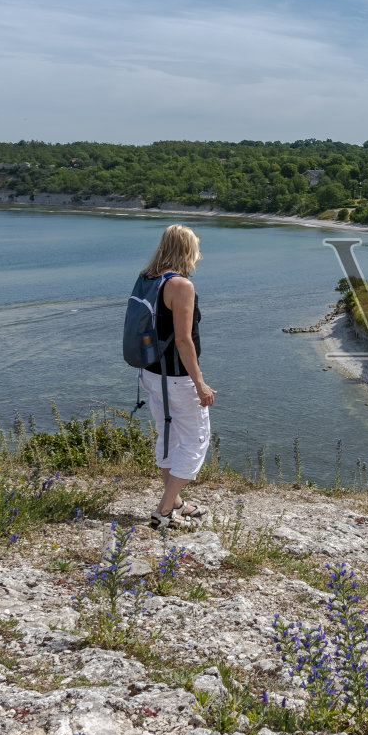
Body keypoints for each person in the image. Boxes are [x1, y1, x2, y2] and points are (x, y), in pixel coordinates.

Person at [139, 224, 216, 529]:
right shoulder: (181, 286)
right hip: (176, 378)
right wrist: (200, 384)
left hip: (150, 373)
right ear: (188, 250)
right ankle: (163, 511)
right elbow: (184, 341)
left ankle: (177, 503)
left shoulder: (147, 279)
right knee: (196, 440)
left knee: (168, 435)